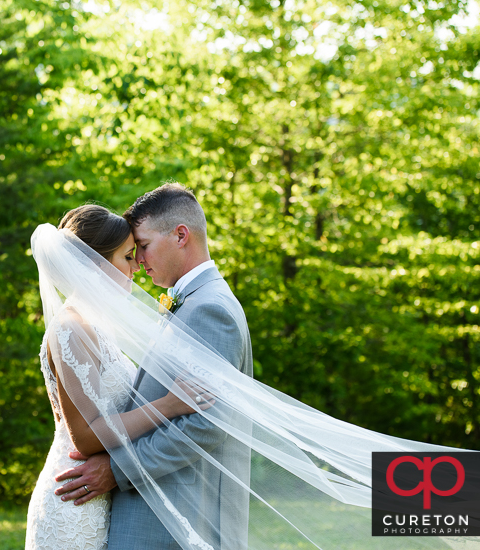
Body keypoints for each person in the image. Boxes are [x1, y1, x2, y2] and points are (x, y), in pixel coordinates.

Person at [27, 184, 478, 550]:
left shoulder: (209, 309)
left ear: (180, 235)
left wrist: (117, 470)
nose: (139, 262)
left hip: (171, 517)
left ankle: (461, 500)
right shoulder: (188, 304)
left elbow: (206, 424)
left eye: (141, 247)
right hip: (134, 510)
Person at [25, 204, 214, 550]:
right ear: (95, 265)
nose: (135, 267)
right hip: (74, 505)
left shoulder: (96, 325)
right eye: (127, 257)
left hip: (98, 498)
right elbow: (84, 436)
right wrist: (168, 406)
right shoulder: (71, 328)